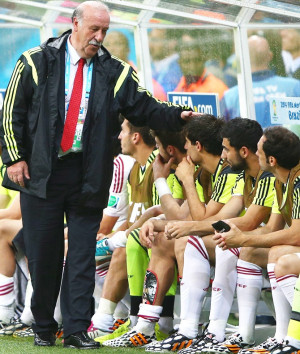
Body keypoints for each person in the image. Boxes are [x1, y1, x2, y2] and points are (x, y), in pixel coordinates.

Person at [0, 1, 196, 349]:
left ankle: (76, 329)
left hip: (88, 173)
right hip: (41, 171)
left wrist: (175, 116)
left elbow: (144, 106)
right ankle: (44, 325)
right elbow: (11, 111)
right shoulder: (35, 61)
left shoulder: (116, 71)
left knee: (81, 254)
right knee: (43, 253)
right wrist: (15, 158)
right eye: (94, 29)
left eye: (105, 30)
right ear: (74, 24)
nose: (99, 36)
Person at [150, 118, 274, 353]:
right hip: (257, 242)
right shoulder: (242, 175)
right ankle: (186, 329)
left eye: (226, 148)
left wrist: (184, 183)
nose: (223, 154)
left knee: (214, 241)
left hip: (269, 246)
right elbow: (208, 218)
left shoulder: (241, 174)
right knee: (192, 240)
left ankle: (217, 332)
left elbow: (246, 222)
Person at [213, 126, 300, 354]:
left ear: (271, 159)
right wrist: (243, 239)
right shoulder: (284, 180)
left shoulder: (298, 181)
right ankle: (283, 338)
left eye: (258, 151)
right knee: (272, 253)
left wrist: (242, 239)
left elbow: (297, 234)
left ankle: (293, 339)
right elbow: (275, 229)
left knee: (283, 260)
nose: (254, 154)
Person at [221, 35, 300, 128]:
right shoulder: (293, 86)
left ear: (242, 58)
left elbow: (223, 134)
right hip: (287, 142)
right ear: (270, 56)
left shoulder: (230, 96)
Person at [174, 32, 228, 100]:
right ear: (179, 62)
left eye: (196, 60)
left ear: (204, 60)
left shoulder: (216, 89)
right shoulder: (181, 84)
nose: (192, 67)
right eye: (187, 61)